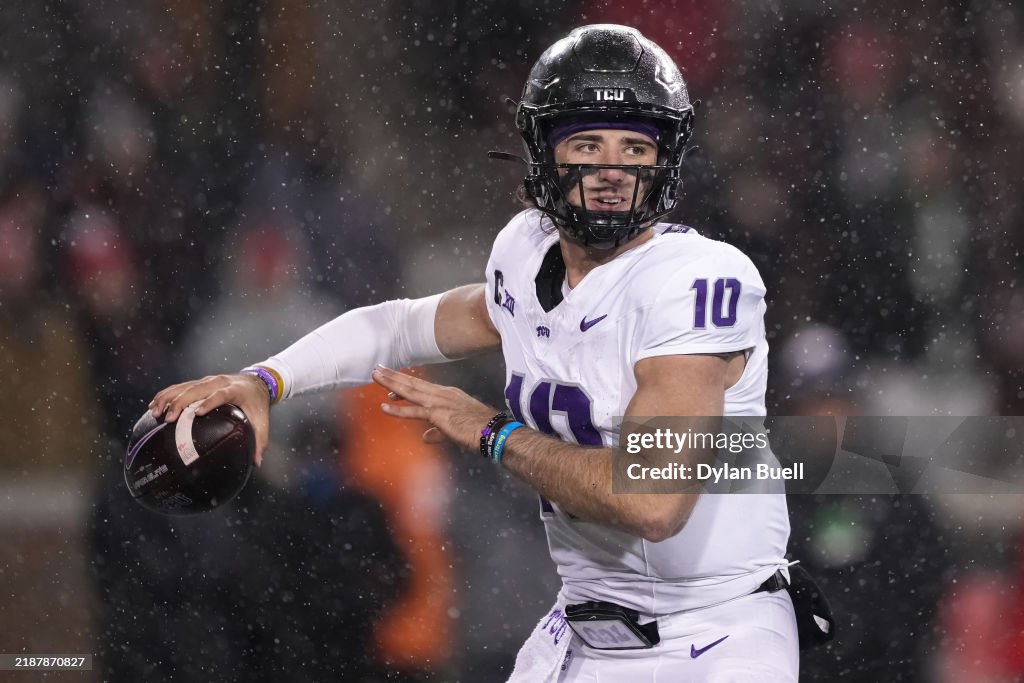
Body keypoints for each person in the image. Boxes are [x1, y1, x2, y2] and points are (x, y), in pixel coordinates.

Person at [150, 24, 798, 681]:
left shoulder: (699, 279)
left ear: (666, 160)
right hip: (586, 627)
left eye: (635, 146)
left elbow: (653, 502)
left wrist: (491, 431)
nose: (612, 172)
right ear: (542, 153)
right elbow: (397, 327)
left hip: (713, 632)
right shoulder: (527, 255)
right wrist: (266, 379)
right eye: (587, 144)